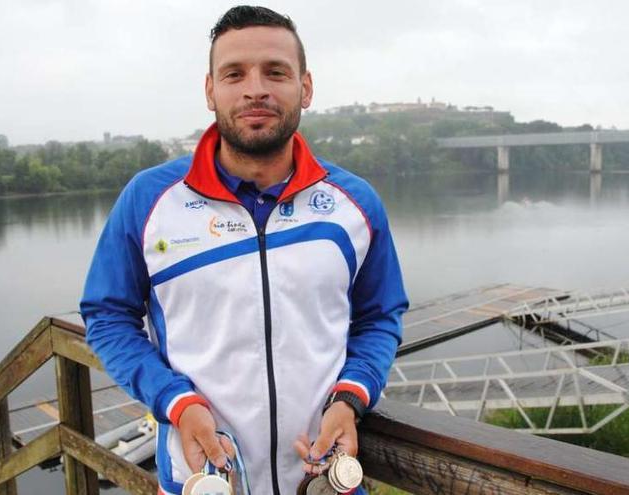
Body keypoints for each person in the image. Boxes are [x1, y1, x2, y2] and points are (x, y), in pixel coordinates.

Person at [80, 6, 408, 495]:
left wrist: (351, 397)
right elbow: (107, 317)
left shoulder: (354, 204)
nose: (256, 88)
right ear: (210, 91)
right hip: (207, 479)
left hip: (323, 481)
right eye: (234, 74)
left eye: (276, 72)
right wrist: (176, 402)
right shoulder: (149, 201)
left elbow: (380, 317)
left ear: (306, 87)